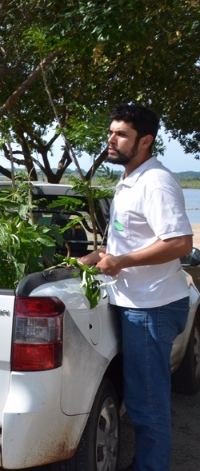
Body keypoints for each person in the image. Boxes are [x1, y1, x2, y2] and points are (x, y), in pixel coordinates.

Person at [81, 104, 193, 471]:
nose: (110, 140)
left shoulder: (155, 182)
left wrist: (122, 262)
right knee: (143, 399)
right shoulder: (131, 178)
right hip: (138, 303)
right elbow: (133, 237)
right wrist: (101, 254)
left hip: (151, 308)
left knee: (148, 405)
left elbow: (179, 243)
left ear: (145, 141)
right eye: (111, 132)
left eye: (121, 134)